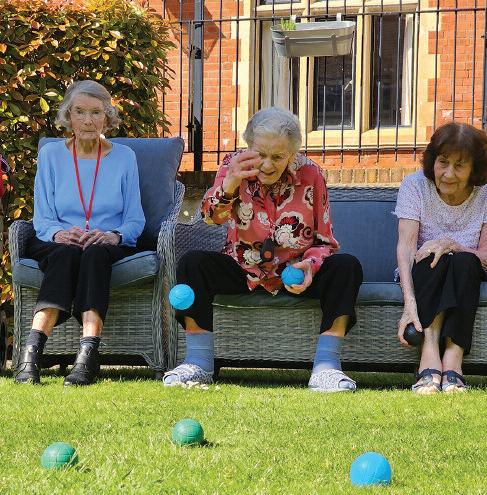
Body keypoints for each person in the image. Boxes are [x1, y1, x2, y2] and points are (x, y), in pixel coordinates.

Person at [163, 107, 363, 392]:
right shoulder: (233, 165)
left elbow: (325, 241)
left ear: (293, 153)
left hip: (294, 271)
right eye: (260, 155)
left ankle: (326, 367)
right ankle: (198, 363)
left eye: (278, 157)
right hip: (242, 268)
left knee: (347, 267)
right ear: (249, 146)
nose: (267, 165)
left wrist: (309, 266)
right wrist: (230, 183)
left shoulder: (311, 175)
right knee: (193, 263)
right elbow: (210, 217)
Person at [15, 80, 145, 386]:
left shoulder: (125, 157)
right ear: (68, 116)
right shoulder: (51, 154)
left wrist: (114, 235)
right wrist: (59, 234)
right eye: (80, 112)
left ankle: (87, 355)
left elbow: (135, 220)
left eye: (96, 112)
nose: (88, 120)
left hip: (107, 242)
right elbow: (42, 217)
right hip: (56, 240)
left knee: (95, 253)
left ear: (107, 117)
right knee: (66, 253)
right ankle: (31, 353)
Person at [395, 122, 487, 394]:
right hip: (425, 272)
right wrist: (409, 305)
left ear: (474, 169)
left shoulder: (485, 193)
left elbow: (485, 256)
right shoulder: (414, 185)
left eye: (459, 166)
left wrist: (453, 246)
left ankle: (453, 358)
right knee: (432, 256)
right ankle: (430, 349)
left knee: (462, 260)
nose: (448, 174)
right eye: (443, 162)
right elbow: (406, 249)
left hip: (468, 272)